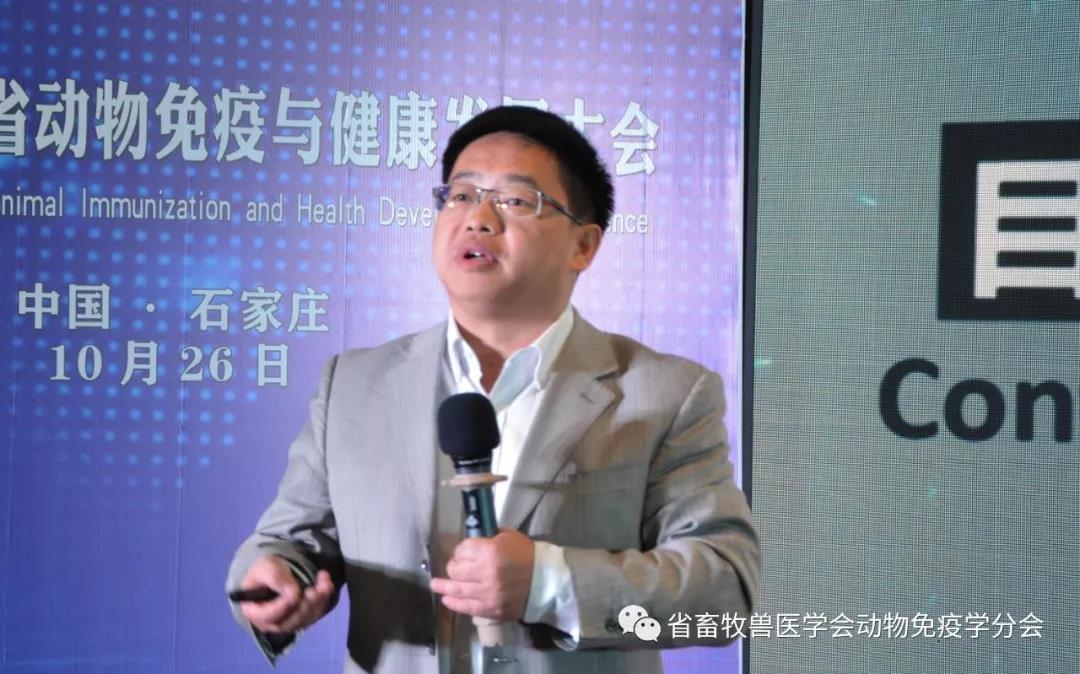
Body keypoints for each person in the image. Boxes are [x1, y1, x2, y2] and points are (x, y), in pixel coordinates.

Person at [227, 105, 760, 674]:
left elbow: (724, 592)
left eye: (515, 200)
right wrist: (274, 578)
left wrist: (548, 582)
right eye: (460, 196)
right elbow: (288, 543)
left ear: (584, 246)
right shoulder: (354, 384)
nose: (477, 218)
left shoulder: (664, 392)